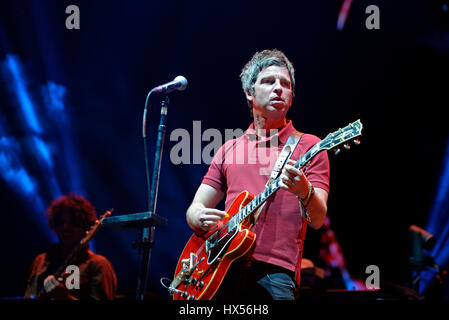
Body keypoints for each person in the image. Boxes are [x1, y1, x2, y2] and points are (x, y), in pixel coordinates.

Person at [185, 49, 330, 300]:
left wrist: (304, 191)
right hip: (220, 268)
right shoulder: (228, 149)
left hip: (276, 273)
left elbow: (317, 219)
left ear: (292, 97)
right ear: (249, 93)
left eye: (285, 84)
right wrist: (198, 216)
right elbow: (195, 208)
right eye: (268, 81)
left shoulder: (310, 146)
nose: (278, 89)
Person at [24, 194, 117, 300]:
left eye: (73, 222)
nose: (66, 227)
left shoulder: (98, 265)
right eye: (61, 222)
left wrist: (65, 298)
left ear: (85, 226)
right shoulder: (40, 261)